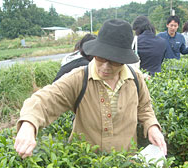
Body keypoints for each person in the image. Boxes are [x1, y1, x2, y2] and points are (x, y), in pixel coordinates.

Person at [14, 19, 167, 159]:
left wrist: (152, 126)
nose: (105, 67)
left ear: (123, 60)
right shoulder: (79, 78)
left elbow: (145, 108)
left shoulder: (135, 79)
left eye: (114, 61)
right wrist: (28, 125)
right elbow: (45, 100)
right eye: (100, 58)